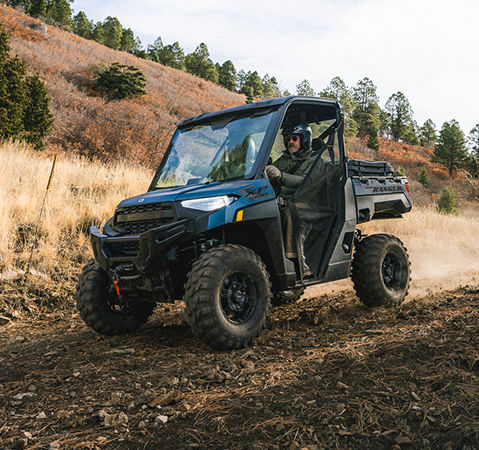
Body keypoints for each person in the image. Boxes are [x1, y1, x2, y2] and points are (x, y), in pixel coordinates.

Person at [265, 122, 316, 271]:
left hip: (304, 202)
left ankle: (294, 261)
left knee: (289, 214)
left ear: (305, 139)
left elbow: (303, 181)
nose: (290, 142)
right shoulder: (284, 158)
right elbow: (273, 171)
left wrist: (280, 175)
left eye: (294, 138)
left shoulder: (313, 161)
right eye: (288, 138)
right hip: (282, 200)